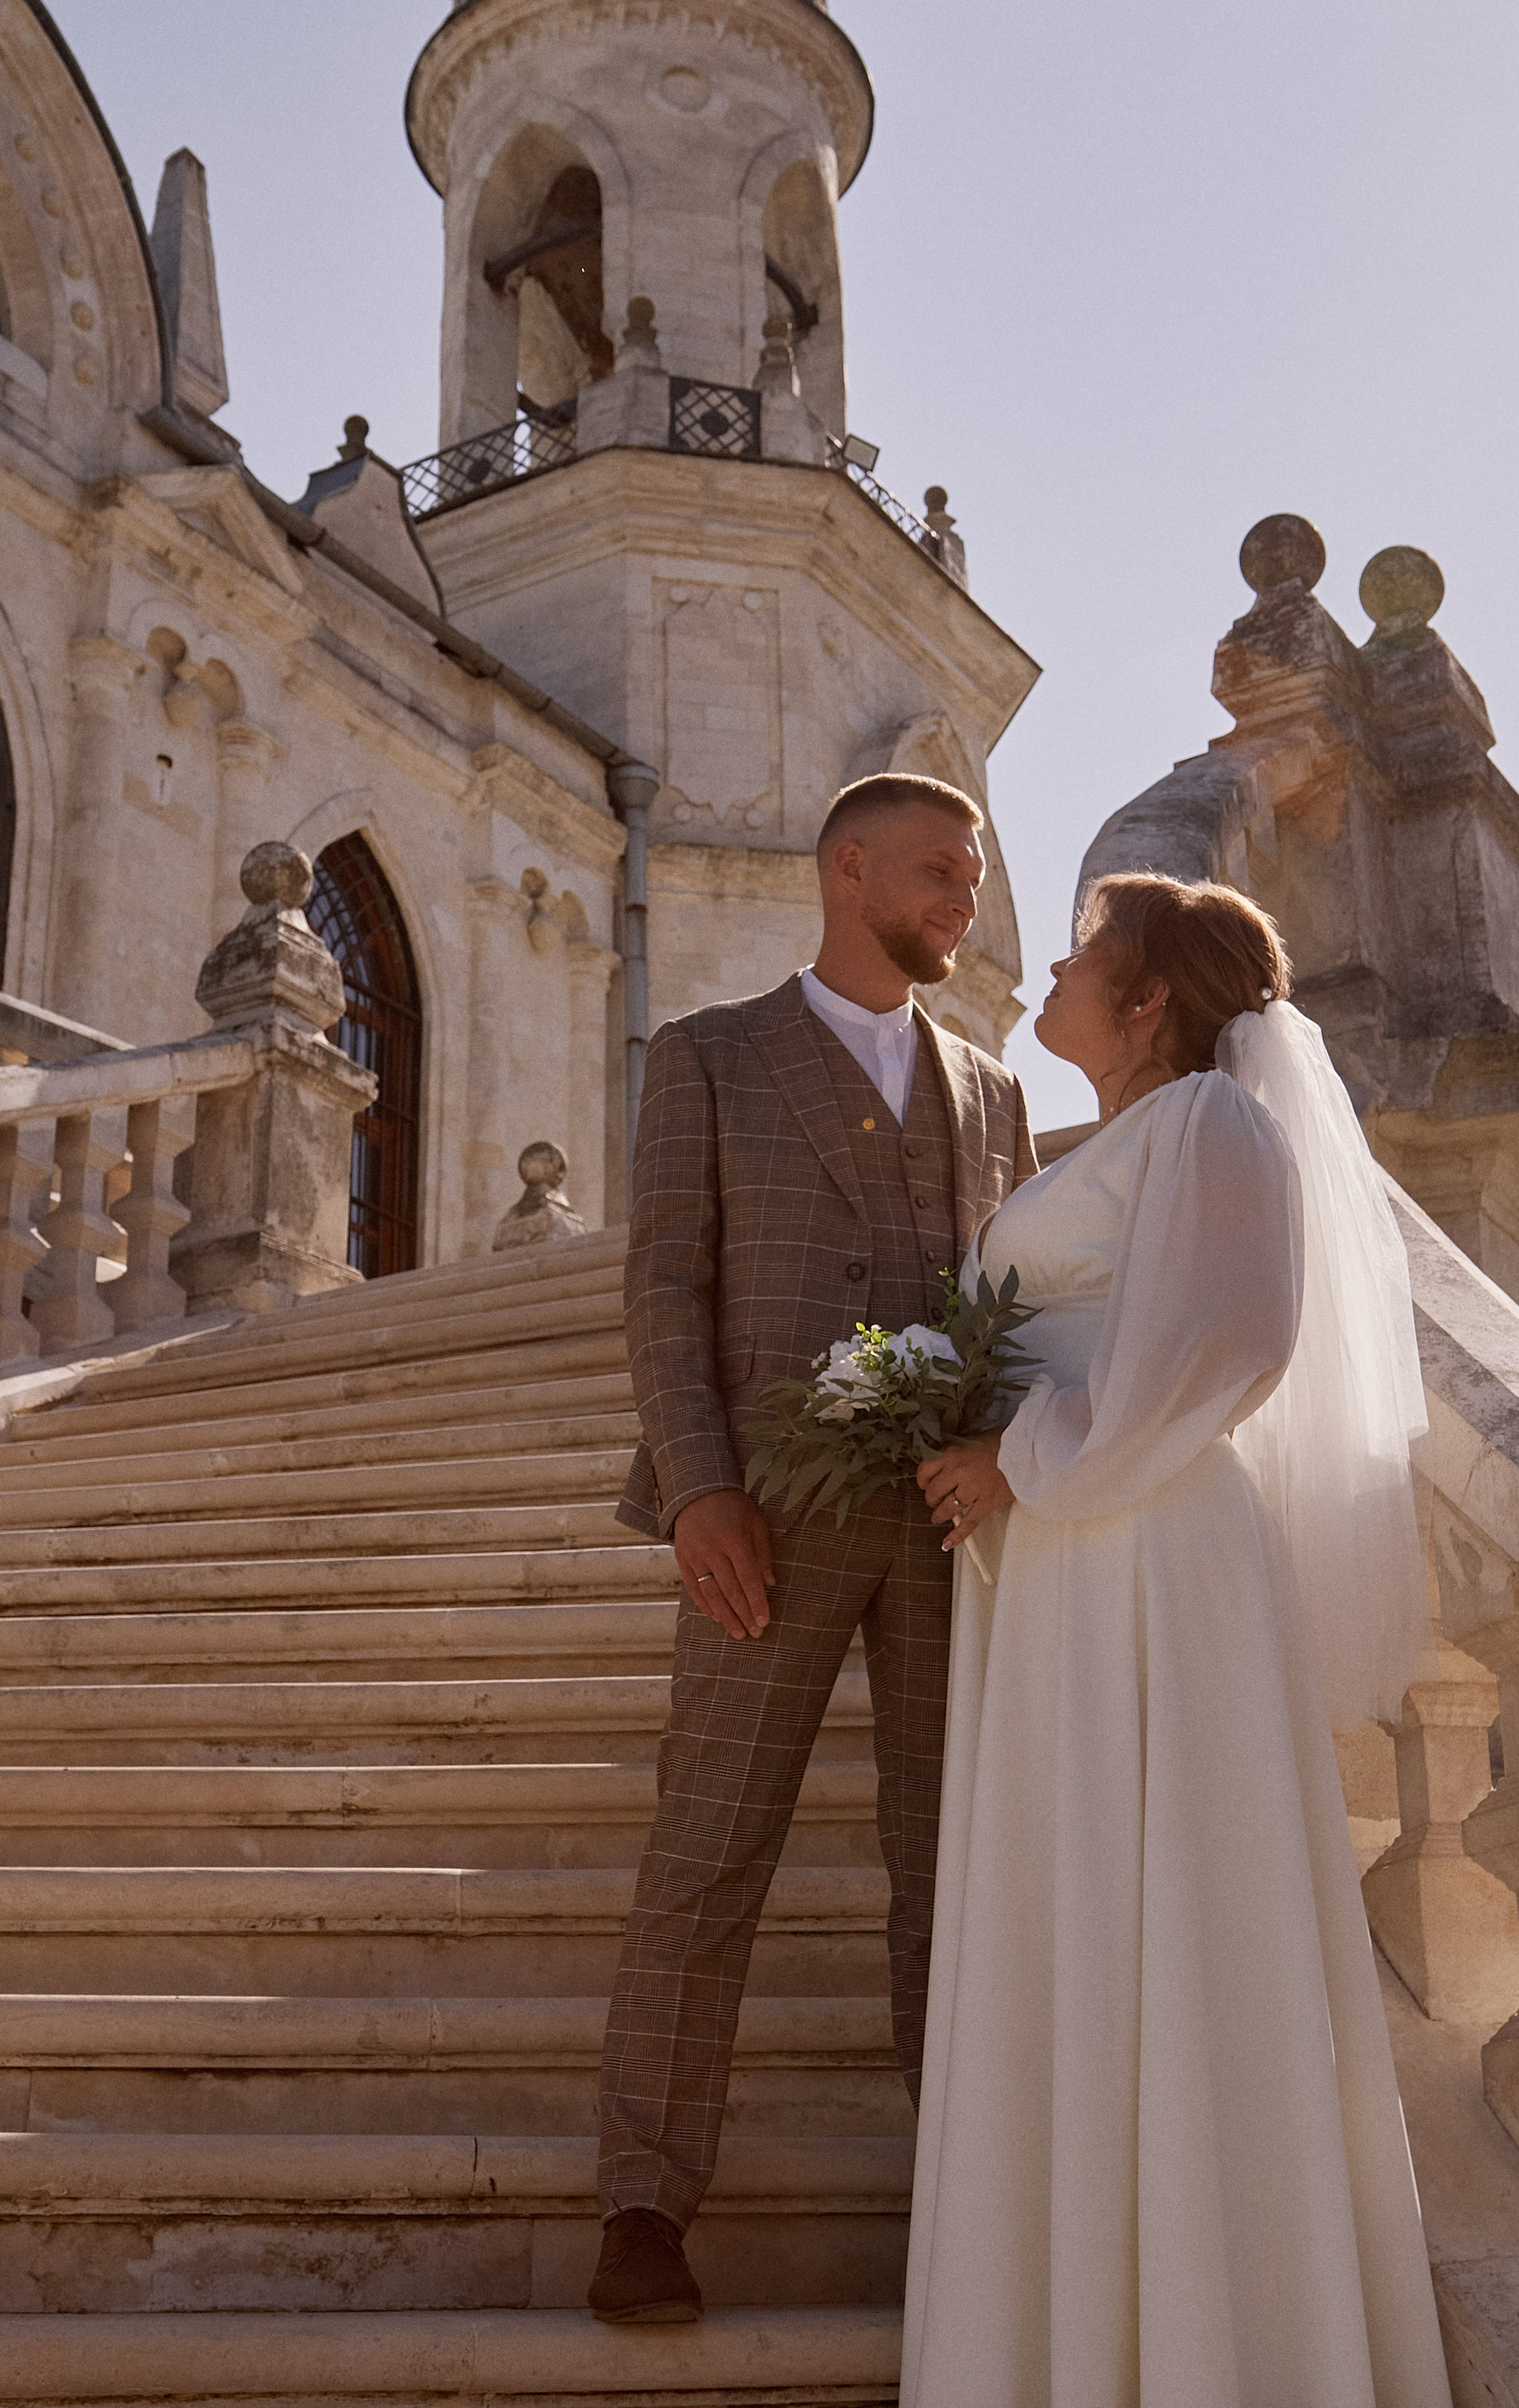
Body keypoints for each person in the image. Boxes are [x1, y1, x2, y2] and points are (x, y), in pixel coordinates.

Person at [902, 873, 1453, 2407]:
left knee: (1164, 1911)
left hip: (1145, 1550)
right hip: (1056, 1554)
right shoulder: (1106, 1146)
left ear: (1147, 1000)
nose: (1050, 972)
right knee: (1066, 1910)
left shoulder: (1213, 1124)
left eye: (1085, 953)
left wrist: (1016, 1457)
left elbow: (1219, 1348)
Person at [590, 771, 1038, 2324]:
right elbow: (664, 1288)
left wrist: (1009, 1456)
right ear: (848, 870)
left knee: (949, 1872)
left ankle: (966, 2216)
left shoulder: (991, 1093)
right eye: (937, 871)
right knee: (705, 1854)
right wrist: (697, 1487)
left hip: (948, 1530)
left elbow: (1019, 1308)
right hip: (762, 1525)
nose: (963, 900)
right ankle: (643, 2203)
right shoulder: (706, 1054)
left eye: (968, 876)